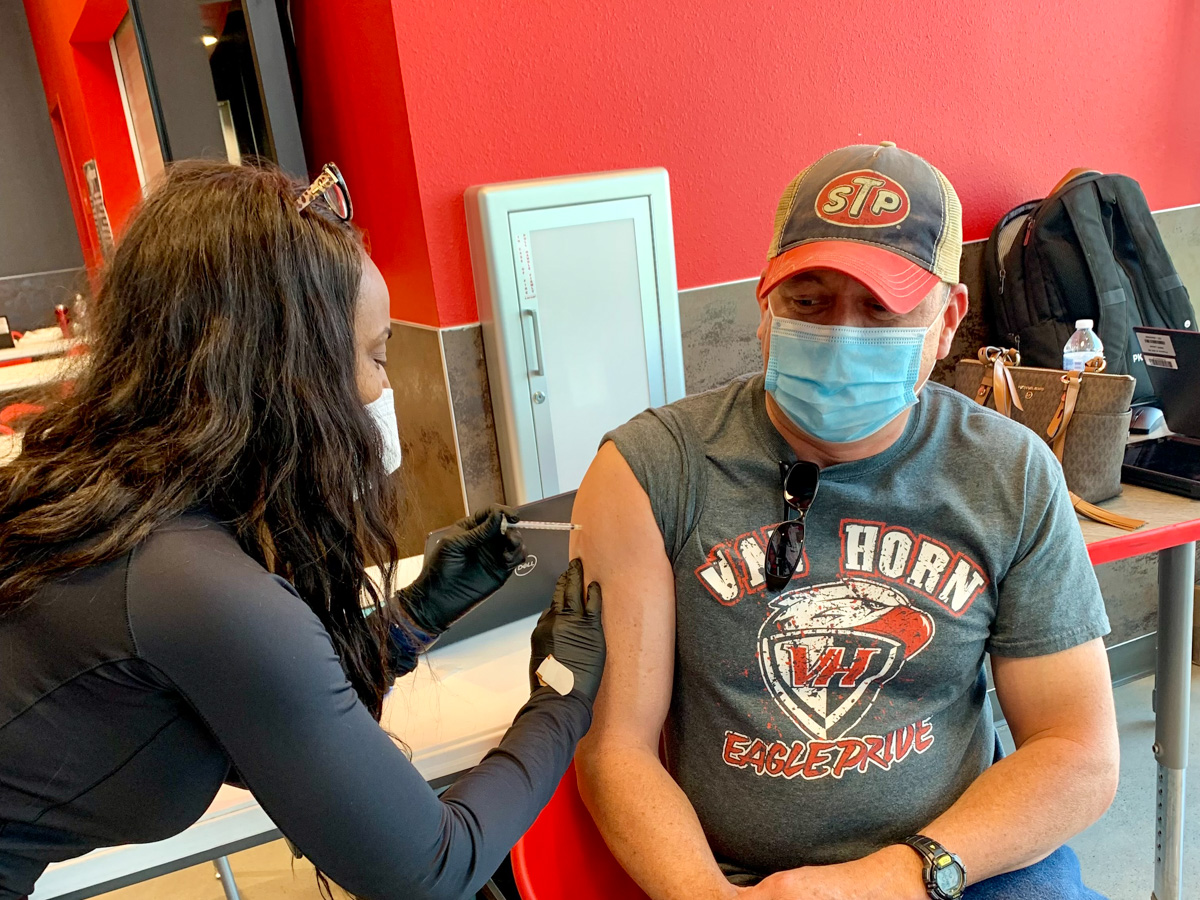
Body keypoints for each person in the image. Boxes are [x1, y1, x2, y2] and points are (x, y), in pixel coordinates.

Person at [0, 161, 605, 900]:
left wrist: (417, 616)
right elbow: (431, 869)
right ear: (288, 373)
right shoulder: (191, 585)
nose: (383, 389)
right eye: (376, 355)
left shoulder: (121, 505)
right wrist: (562, 698)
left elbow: (274, 715)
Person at [571, 143, 1119, 899]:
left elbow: (1077, 750)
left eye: (882, 308)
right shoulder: (647, 472)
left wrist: (903, 875)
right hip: (734, 880)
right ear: (763, 302)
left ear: (947, 318)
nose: (842, 334)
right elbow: (616, 750)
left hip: (960, 865)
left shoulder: (1010, 473)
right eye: (809, 300)